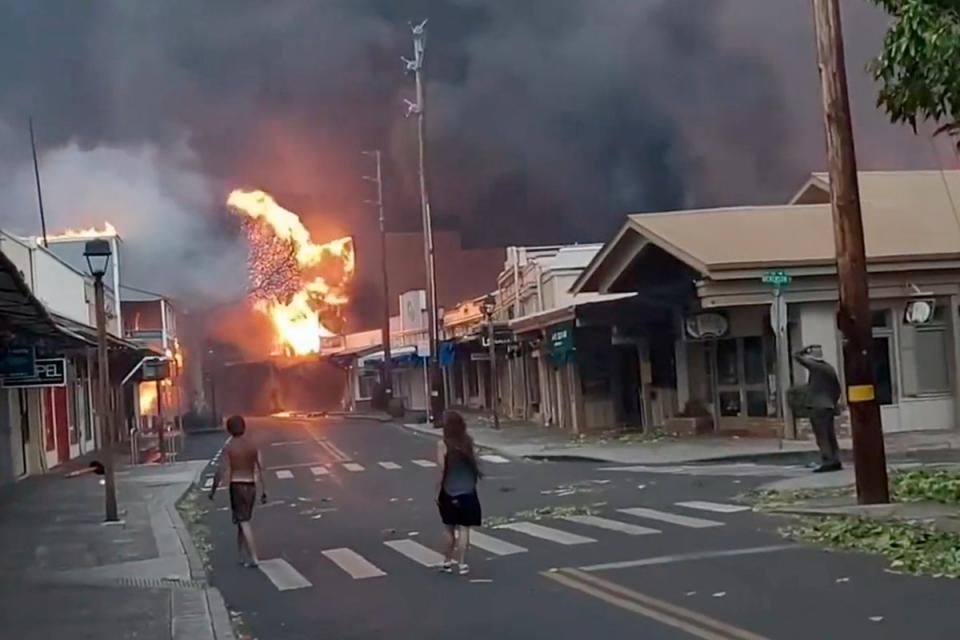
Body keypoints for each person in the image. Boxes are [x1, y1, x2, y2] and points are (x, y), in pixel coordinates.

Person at [209, 415, 267, 567]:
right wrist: (264, 491)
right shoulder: (253, 445)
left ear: (229, 429)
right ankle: (241, 555)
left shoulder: (229, 447)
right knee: (241, 520)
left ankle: (254, 557)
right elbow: (261, 468)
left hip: (237, 486)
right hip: (251, 486)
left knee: (243, 521)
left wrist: (213, 490)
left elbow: (220, 470)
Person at [436, 411, 482, 576]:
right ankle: (462, 564)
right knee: (464, 529)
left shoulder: (443, 444)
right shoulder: (468, 441)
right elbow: (474, 463)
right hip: (468, 490)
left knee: (449, 528)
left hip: (449, 490)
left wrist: (437, 490)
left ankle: (447, 562)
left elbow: (442, 470)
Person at [794, 345, 843, 473]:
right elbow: (837, 389)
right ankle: (835, 459)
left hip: (817, 407)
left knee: (821, 435)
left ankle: (827, 461)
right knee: (830, 434)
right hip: (828, 406)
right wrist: (832, 401)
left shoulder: (816, 367)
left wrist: (804, 350)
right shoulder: (829, 368)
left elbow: (797, 357)